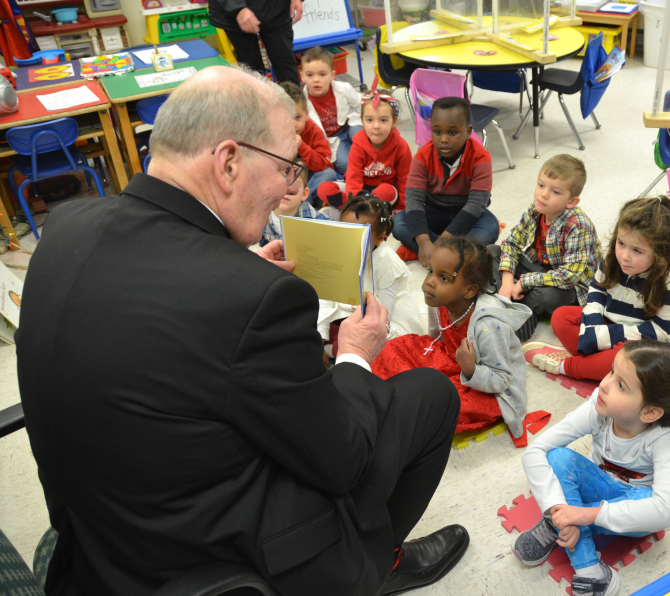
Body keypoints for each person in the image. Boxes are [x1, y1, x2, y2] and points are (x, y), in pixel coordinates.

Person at [16, 65, 469, 596]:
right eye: (285, 165)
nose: (290, 185)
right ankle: (371, 564)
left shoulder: (65, 227)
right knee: (431, 395)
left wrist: (231, 265)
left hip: (99, 547)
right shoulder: (250, 297)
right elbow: (341, 459)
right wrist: (353, 353)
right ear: (228, 162)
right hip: (226, 568)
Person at [514, 340, 670, 596]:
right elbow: (536, 451)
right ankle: (583, 557)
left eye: (621, 385)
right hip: (590, 496)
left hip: (629, 512)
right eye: (611, 371)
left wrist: (582, 516)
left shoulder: (664, 437)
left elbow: (664, 512)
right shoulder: (599, 405)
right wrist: (556, 508)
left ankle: (569, 538)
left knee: (650, 499)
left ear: (650, 412)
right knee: (559, 458)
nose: (603, 384)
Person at [371, 237, 532, 439]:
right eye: (431, 271)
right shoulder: (440, 300)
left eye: (443, 278)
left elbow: (501, 380)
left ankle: (401, 406)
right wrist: (426, 360)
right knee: (395, 347)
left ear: (470, 290)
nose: (429, 281)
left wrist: (470, 369)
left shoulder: (488, 327)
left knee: (437, 404)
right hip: (452, 360)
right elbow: (434, 339)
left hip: (487, 388)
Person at [525, 196, 670, 382]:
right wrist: (593, 322)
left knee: (628, 360)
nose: (624, 256)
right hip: (608, 323)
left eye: (637, 251)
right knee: (560, 317)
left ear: (660, 252)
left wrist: (605, 336)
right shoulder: (613, 260)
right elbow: (597, 290)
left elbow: (662, 331)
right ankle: (597, 366)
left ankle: (568, 367)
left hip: (641, 342)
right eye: (621, 244)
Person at [489, 155, 602, 342]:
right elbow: (511, 243)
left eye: (555, 192)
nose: (543, 195)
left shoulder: (578, 226)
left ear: (571, 202)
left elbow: (569, 277)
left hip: (571, 285)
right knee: (491, 251)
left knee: (545, 297)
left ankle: (518, 308)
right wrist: (509, 280)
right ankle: (514, 298)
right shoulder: (537, 208)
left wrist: (524, 282)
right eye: (541, 185)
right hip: (541, 268)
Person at [392, 97, 499, 266]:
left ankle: (428, 253)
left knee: (491, 228)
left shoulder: (481, 158)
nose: (443, 139)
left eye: (452, 132)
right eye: (437, 132)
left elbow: (476, 205)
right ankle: (449, 255)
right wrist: (423, 241)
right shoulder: (422, 156)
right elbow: (414, 201)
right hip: (433, 211)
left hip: (466, 215)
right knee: (398, 222)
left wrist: (442, 240)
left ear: (469, 132)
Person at [319, 193, 424, 362]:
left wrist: (328, 348)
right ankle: (334, 343)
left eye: (359, 235)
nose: (349, 241)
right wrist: (319, 339)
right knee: (309, 318)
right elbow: (325, 297)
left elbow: (382, 316)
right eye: (345, 231)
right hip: (350, 308)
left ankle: (334, 349)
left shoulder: (389, 263)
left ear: (380, 238)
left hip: (382, 315)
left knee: (390, 347)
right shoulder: (336, 251)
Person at [317, 91, 412, 212]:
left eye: (383, 120)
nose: (376, 126)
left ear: (393, 121)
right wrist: (355, 201)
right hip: (358, 190)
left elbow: (405, 179)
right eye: (370, 120)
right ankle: (359, 209)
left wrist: (401, 206)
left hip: (384, 192)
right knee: (324, 189)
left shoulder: (401, 146)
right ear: (362, 121)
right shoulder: (358, 145)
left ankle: (355, 210)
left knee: (386, 191)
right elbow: (353, 178)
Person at [208, 0, 303, 86]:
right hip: (234, 16)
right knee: (252, 71)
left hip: (276, 9)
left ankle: (296, 104)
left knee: (286, 65)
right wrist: (237, 7)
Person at [300, 46, 363, 175]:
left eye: (322, 74)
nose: (316, 79)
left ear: (332, 75)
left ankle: (375, 162)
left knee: (361, 137)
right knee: (347, 165)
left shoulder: (343, 88)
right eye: (310, 75)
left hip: (349, 125)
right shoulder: (302, 101)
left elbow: (360, 104)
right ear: (302, 77)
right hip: (331, 138)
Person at [279, 80, 337, 201]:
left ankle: (302, 199)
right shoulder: (274, 132)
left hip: (310, 178)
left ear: (306, 115)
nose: (293, 124)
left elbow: (324, 164)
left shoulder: (315, 131)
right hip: (285, 179)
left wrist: (302, 147)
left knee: (329, 174)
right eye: (286, 117)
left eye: (297, 117)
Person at [259, 167, 329, 248]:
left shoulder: (321, 222)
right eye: (280, 183)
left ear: (304, 194)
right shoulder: (258, 218)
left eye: (294, 184)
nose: (286, 190)